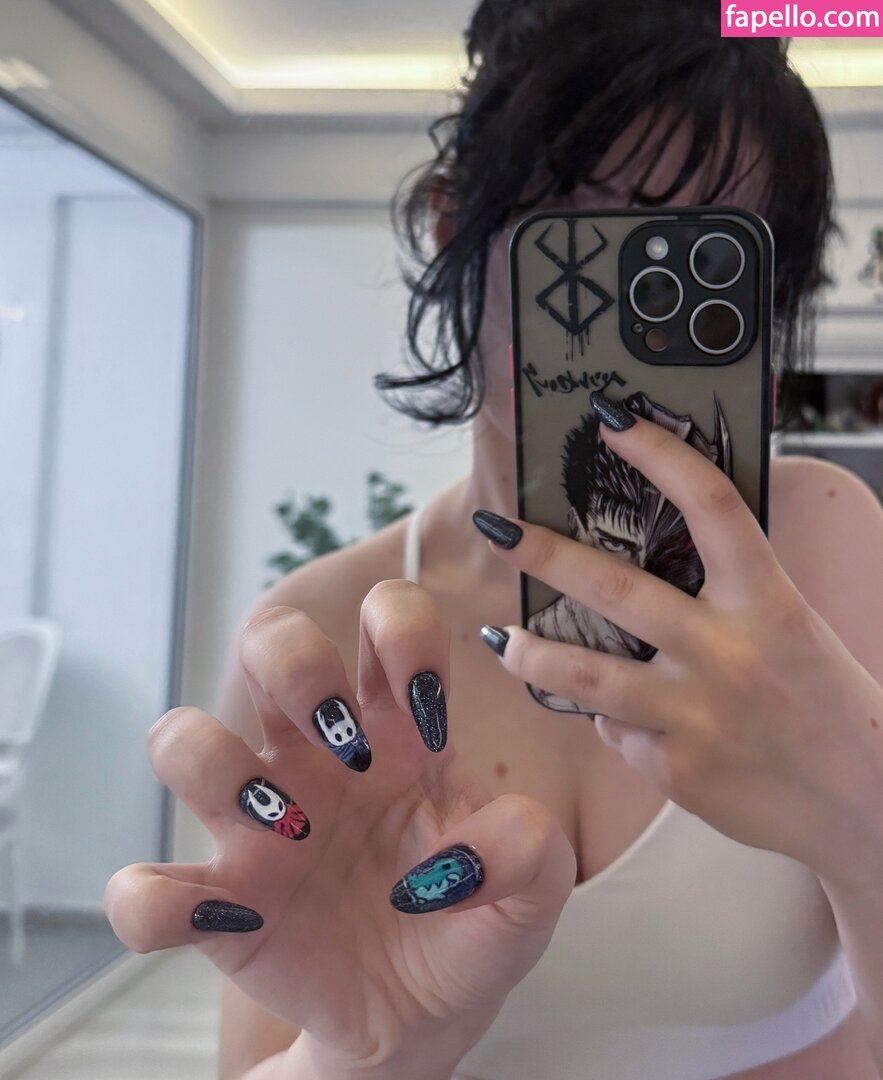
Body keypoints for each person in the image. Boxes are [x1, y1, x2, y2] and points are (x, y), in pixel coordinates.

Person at [104, 2, 883, 1078]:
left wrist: (865, 819)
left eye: (699, 252)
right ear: (452, 221)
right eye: (581, 225)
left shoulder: (822, 543)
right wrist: (362, 1052)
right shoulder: (326, 633)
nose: (628, 306)